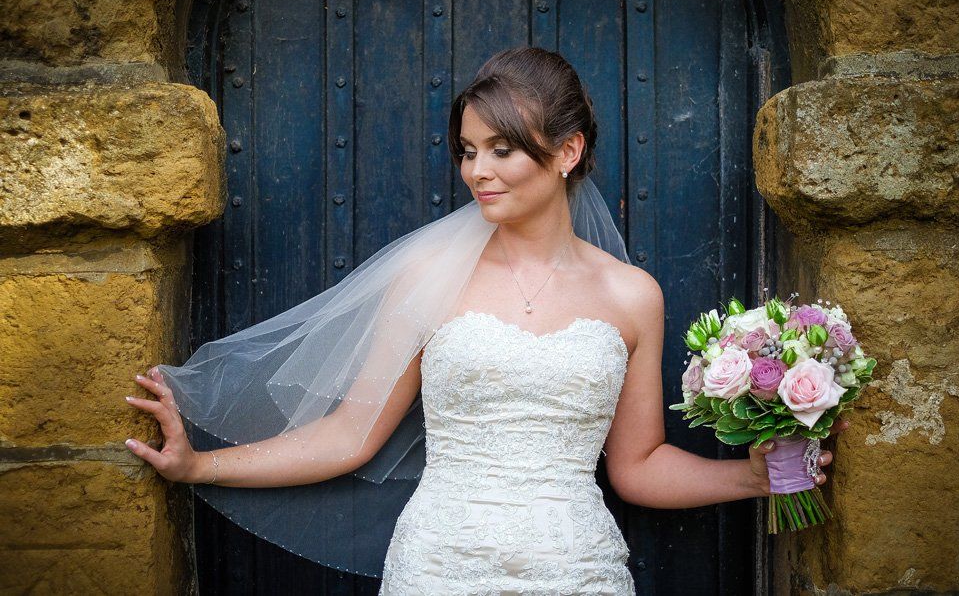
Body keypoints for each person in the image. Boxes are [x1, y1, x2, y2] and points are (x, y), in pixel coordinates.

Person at [124, 46, 847, 593]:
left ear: (567, 152)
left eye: (502, 149)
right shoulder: (427, 276)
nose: (478, 171)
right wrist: (199, 464)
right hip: (438, 566)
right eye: (469, 151)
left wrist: (756, 477)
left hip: (577, 571)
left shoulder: (633, 296)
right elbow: (349, 432)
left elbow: (637, 467)